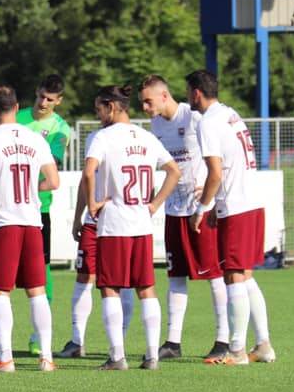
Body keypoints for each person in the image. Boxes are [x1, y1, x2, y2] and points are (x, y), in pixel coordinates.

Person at [0, 74, 71, 356]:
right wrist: (29, 189)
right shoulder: (36, 139)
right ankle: (46, 356)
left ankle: (5, 356)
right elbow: (54, 181)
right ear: (17, 106)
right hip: (33, 220)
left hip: (4, 222)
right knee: (36, 288)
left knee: (0, 290)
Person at [83, 84, 180, 370]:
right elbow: (174, 170)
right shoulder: (147, 137)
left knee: (110, 288)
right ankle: (151, 356)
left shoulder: (103, 137)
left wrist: (92, 202)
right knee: (146, 288)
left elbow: (89, 171)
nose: (98, 113)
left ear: (111, 107)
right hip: (141, 223)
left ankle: (117, 356)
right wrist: (155, 204)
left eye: (99, 108)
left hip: (114, 224)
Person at [185, 69, 276, 366]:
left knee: (233, 274)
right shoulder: (230, 113)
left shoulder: (208, 122)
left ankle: (237, 350)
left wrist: (203, 207)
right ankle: (263, 344)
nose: (188, 98)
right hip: (250, 200)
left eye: (188, 92)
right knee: (244, 273)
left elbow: (214, 172)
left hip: (236, 204)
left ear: (197, 92)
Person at [138, 75, 230, 363]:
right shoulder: (155, 125)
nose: (144, 107)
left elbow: (219, 156)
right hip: (174, 209)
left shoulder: (195, 117)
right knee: (175, 275)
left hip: (199, 208)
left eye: (148, 101)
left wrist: (210, 191)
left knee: (213, 274)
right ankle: (173, 341)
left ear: (165, 96)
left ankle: (223, 339)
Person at [55, 129, 136, 359]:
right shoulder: (95, 138)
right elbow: (86, 179)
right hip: (93, 222)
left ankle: (119, 343)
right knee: (84, 276)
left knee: (123, 281)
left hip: (122, 223)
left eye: (101, 106)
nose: (98, 111)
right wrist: (79, 215)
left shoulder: (134, 139)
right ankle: (77, 341)